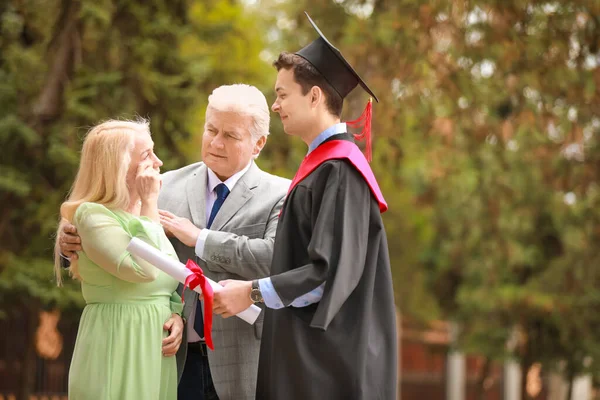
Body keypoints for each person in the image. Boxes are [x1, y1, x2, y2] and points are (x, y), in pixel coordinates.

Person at [58, 84, 291, 400]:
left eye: (230, 136)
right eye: (211, 130)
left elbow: (278, 258)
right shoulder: (160, 186)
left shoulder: (283, 194)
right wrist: (68, 238)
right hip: (170, 357)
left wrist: (200, 239)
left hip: (245, 360)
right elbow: (111, 232)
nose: (215, 142)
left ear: (258, 144)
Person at [212, 13, 397, 400]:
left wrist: (252, 292)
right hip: (309, 362)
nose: (275, 105)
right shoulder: (322, 168)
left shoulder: (341, 172)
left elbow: (328, 275)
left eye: (282, 94)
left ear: (314, 96)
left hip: (328, 370)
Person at [53, 119, 184, 400]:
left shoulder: (146, 216)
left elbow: (167, 280)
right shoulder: (93, 215)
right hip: (118, 342)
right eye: (147, 154)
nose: (158, 162)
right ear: (119, 165)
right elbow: (145, 269)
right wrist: (149, 203)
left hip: (154, 350)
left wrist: (176, 314)